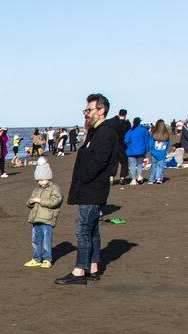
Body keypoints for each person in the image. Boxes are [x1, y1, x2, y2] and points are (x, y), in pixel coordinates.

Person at [56, 93, 119, 285]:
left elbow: (100, 161)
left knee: (83, 230)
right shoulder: (96, 131)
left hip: (93, 189)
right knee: (92, 230)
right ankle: (93, 267)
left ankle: (79, 271)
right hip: (91, 188)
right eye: (85, 110)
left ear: (101, 111)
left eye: (89, 110)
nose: (86, 114)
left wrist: (84, 178)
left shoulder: (106, 132)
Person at [24, 157, 62, 269]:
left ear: (48, 177)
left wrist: (41, 201)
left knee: (46, 242)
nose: (40, 182)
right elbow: (30, 202)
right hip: (36, 219)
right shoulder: (37, 189)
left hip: (47, 219)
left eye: (42, 179)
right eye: (38, 180)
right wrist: (30, 202)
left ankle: (47, 259)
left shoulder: (54, 188)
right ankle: (36, 258)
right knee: (35, 241)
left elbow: (56, 201)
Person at [123, 117, 151, 185]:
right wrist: (147, 149)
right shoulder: (143, 130)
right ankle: (139, 176)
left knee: (132, 165)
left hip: (131, 151)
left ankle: (133, 179)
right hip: (141, 150)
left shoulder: (130, 130)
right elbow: (147, 140)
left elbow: (126, 140)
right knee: (140, 165)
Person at [109, 109, 131, 184]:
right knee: (124, 162)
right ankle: (122, 177)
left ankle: (111, 178)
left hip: (114, 145)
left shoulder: (113, 123)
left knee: (113, 162)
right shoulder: (127, 124)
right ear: (125, 115)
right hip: (123, 145)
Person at [148, 119, 170, 184]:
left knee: (154, 166)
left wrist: (150, 148)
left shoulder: (153, 134)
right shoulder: (166, 135)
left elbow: (150, 143)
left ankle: (152, 179)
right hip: (162, 153)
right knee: (160, 166)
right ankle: (159, 178)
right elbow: (167, 144)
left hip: (154, 152)